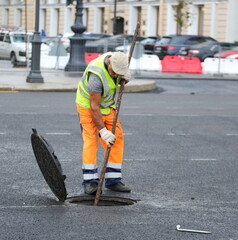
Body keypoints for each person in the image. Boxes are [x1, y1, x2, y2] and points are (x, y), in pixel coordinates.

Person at [76, 52, 132, 195]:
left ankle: (113, 180)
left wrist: (124, 77)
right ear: (109, 64)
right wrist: (103, 130)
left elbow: (117, 76)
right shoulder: (96, 75)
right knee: (91, 141)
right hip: (88, 107)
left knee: (117, 138)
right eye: (115, 73)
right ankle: (90, 182)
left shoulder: (118, 60)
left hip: (107, 106)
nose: (115, 76)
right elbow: (94, 107)